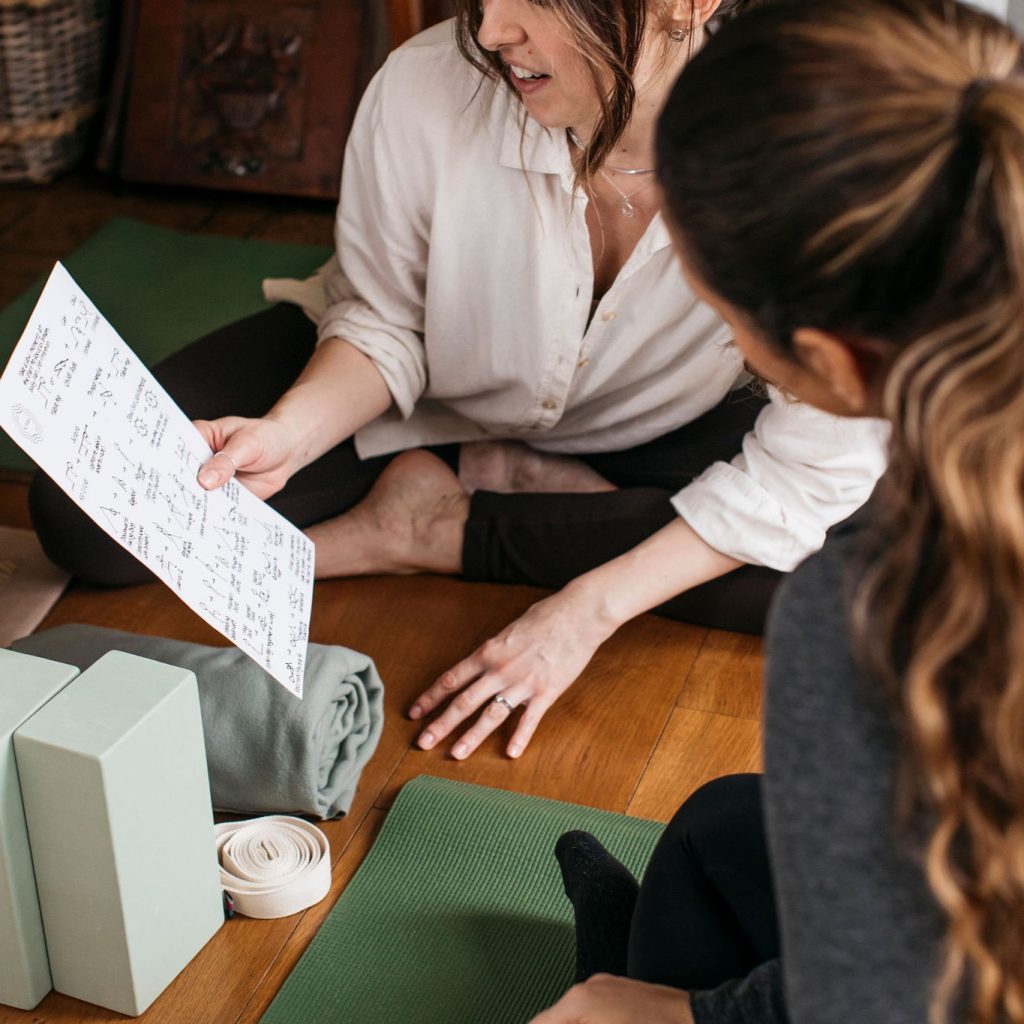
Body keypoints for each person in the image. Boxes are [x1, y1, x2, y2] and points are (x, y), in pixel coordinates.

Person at [29, 0, 885, 760]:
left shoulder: (803, 146)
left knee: (871, 579)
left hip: (662, 423)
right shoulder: (427, 85)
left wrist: (584, 611)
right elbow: (384, 319)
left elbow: (820, 457)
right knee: (86, 518)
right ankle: (527, 499)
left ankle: (436, 529)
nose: (491, 28)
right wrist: (291, 432)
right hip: (424, 394)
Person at [532, 0, 1024, 1022]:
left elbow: (890, 999)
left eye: (726, 321)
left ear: (831, 360)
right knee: (715, 835)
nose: (731, 346)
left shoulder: (864, 610)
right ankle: (629, 967)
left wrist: (682, 1018)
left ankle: (622, 986)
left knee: (654, 975)